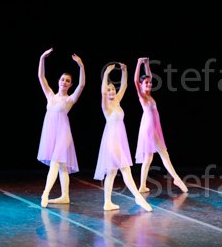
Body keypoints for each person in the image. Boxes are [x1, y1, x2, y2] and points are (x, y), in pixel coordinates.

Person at [95, 63, 152, 211]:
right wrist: (106, 73)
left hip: (119, 141)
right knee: (125, 169)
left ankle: (107, 202)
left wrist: (124, 70)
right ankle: (138, 198)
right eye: (109, 90)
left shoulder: (117, 102)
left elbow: (125, 85)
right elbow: (102, 92)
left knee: (112, 172)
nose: (112, 91)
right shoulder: (106, 107)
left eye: (113, 89)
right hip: (111, 141)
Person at [37, 47, 85, 208]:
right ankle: (65, 196)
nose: (64, 82)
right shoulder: (50, 96)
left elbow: (82, 84)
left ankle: (45, 193)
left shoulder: (69, 100)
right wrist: (42, 58)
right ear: (58, 81)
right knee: (62, 166)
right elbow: (41, 76)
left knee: (55, 163)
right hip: (52, 134)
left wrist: (81, 65)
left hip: (64, 134)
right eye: (63, 79)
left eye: (67, 81)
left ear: (70, 85)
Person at [134, 57, 188, 194]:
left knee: (148, 158)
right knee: (164, 153)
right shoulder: (142, 96)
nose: (149, 84)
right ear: (141, 85)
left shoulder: (149, 95)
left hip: (153, 127)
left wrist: (147, 64)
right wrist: (139, 63)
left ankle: (142, 186)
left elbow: (149, 76)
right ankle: (176, 178)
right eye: (146, 83)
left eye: (150, 83)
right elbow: (135, 80)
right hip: (149, 128)